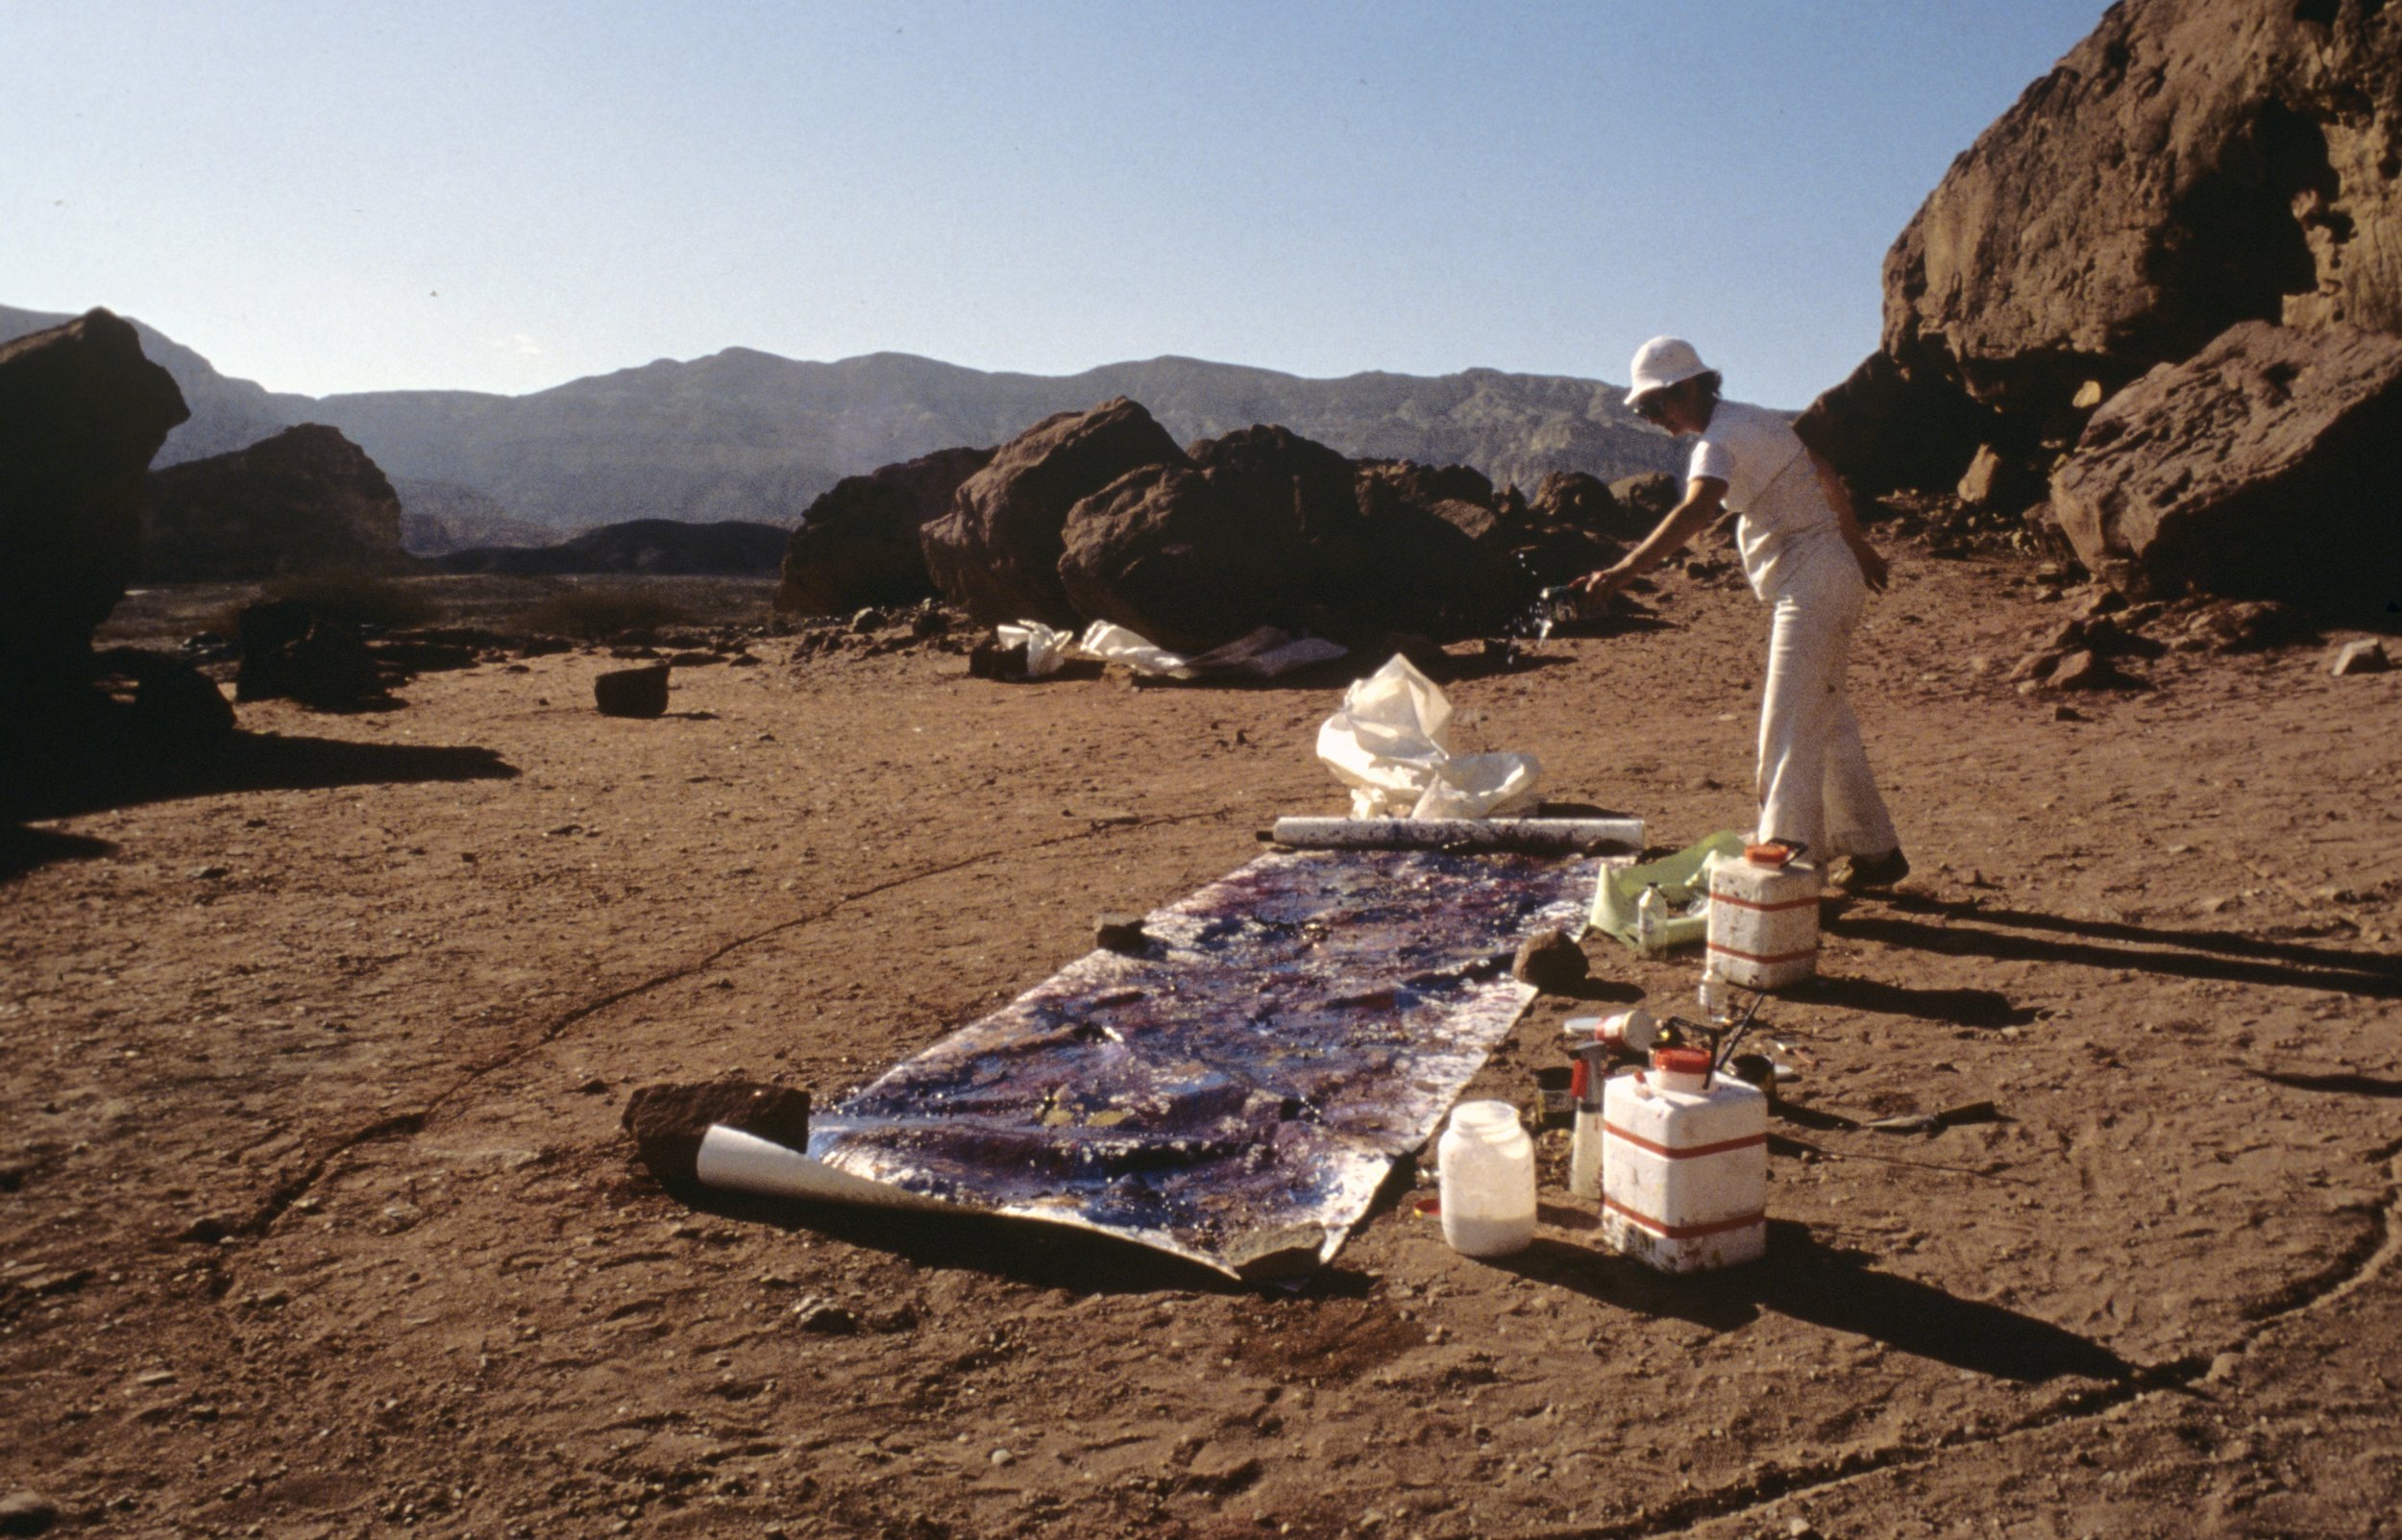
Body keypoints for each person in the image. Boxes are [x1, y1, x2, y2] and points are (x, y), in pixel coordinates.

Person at [1576, 336, 1908, 890]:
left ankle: (1789, 871)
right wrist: (1857, 546)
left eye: (1655, 406)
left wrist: (1622, 572)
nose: (1652, 419)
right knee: (1825, 723)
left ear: (1686, 387)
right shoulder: (1754, 420)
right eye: (1642, 411)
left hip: (1810, 585)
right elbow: (1823, 469)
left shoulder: (1718, 444)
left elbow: (1697, 510)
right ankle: (1876, 852)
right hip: (1829, 574)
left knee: (1785, 732)